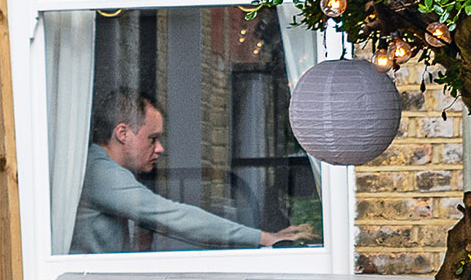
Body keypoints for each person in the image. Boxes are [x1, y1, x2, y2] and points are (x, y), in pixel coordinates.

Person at [70, 91, 309, 252]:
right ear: (122, 133)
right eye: (153, 138)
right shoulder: (100, 172)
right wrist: (264, 238)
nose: (160, 148)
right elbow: (175, 217)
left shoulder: (98, 166)